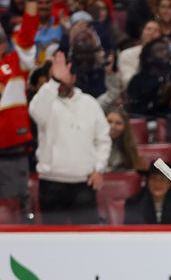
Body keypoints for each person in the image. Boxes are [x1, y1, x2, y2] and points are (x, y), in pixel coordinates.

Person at [29, 51, 111, 224]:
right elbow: (35, 111)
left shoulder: (90, 104)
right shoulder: (46, 102)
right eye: (55, 77)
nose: (60, 83)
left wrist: (99, 167)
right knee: (53, 241)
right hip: (51, 183)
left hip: (84, 182)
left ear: (73, 77)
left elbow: (103, 139)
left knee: (86, 242)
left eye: (64, 76)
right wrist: (54, 82)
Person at [0, 0, 37, 219]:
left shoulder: (16, 63)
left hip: (12, 151)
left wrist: (31, 3)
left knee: (14, 209)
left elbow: (28, 33)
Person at [105, 107, 143, 172]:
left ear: (125, 127)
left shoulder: (129, 147)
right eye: (109, 121)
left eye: (118, 123)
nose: (112, 126)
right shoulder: (92, 144)